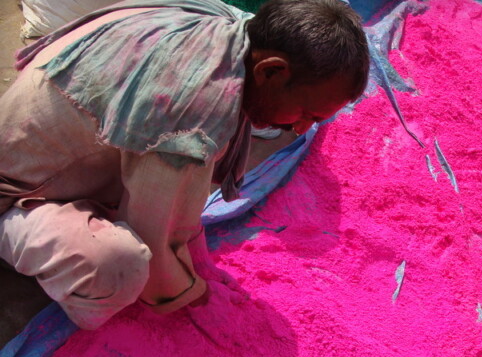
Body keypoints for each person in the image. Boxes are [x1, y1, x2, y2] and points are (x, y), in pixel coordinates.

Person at [0, 0, 369, 330]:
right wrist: (194, 295)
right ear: (271, 71)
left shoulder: (234, 28)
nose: (301, 128)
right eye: (305, 113)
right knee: (119, 266)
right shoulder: (193, 106)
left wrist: (202, 269)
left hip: (65, 159)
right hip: (18, 191)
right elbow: (154, 237)